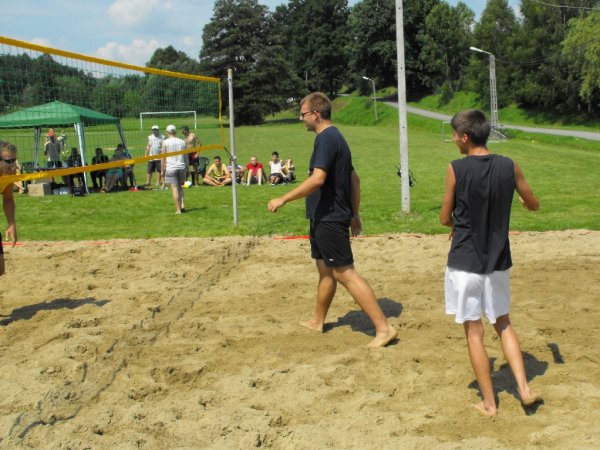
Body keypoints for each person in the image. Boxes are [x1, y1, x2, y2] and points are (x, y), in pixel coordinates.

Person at [267, 92, 397, 348]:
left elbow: (317, 179)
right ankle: (318, 321)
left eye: (303, 114)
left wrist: (283, 198)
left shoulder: (327, 139)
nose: (300, 118)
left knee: (344, 272)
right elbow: (354, 180)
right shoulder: (334, 138)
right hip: (323, 217)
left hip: (329, 218)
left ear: (315, 114)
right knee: (325, 270)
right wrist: (355, 213)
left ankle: (383, 328)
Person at [440, 109, 542, 416]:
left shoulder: (455, 168)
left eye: (455, 135)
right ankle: (524, 389)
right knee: (503, 323)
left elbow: (445, 218)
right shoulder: (510, 165)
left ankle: (489, 402)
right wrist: (524, 201)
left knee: (474, 331)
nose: (454, 139)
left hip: (465, 261)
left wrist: (456, 222)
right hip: (498, 260)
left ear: (466, 137)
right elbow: (533, 204)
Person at [0, 141, 18, 276]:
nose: (12, 165)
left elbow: (8, 198)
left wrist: (11, 224)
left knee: (0, 269)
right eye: (8, 161)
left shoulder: (8, 174)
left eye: (14, 160)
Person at [161, 125, 187, 214]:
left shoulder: (165, 142)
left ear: (167, 132)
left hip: (171, 168)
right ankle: (182, 204)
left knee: (175, 188)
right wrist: (187, 167)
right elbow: (186, 156)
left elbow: (163, 158)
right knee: (180, 187)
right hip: (181, 167)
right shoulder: (182, 141)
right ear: (175, 132)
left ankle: (178, 210)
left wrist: (162, 170)